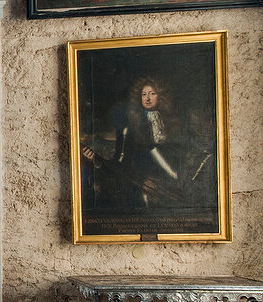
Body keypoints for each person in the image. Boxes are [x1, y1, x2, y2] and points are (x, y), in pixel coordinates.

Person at [82, 77, 210, 211]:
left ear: (161, 96)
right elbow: (121, 165)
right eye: (143, 94)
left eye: (152, 94)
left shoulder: (174, 125)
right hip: (144, 186)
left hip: (175, 184)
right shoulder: (130, 130)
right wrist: (96, 160)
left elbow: (186, 153)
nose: (147, 98)